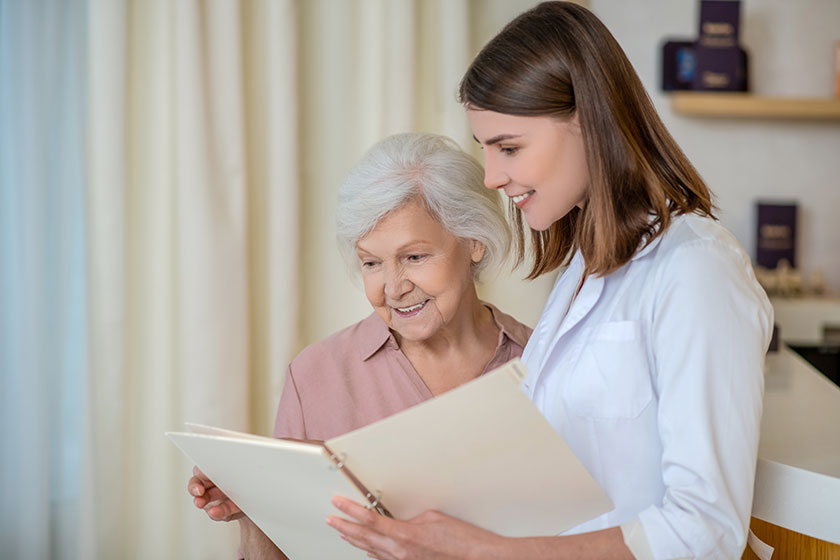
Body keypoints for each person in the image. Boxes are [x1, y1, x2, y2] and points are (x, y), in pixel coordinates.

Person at [326, 3, 773, 559]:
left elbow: (704, 530)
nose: (492, 176)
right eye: (485, 149)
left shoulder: (697, 269)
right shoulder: (584, 270)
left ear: (588, 120)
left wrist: (484, 552)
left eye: (509, 147)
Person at [186, 132, 532, 558]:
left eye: (415, 257)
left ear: (474, 241)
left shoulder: (542, 363)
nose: (393, 288)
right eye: (372, 263)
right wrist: (257, 505)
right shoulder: (316, 375)